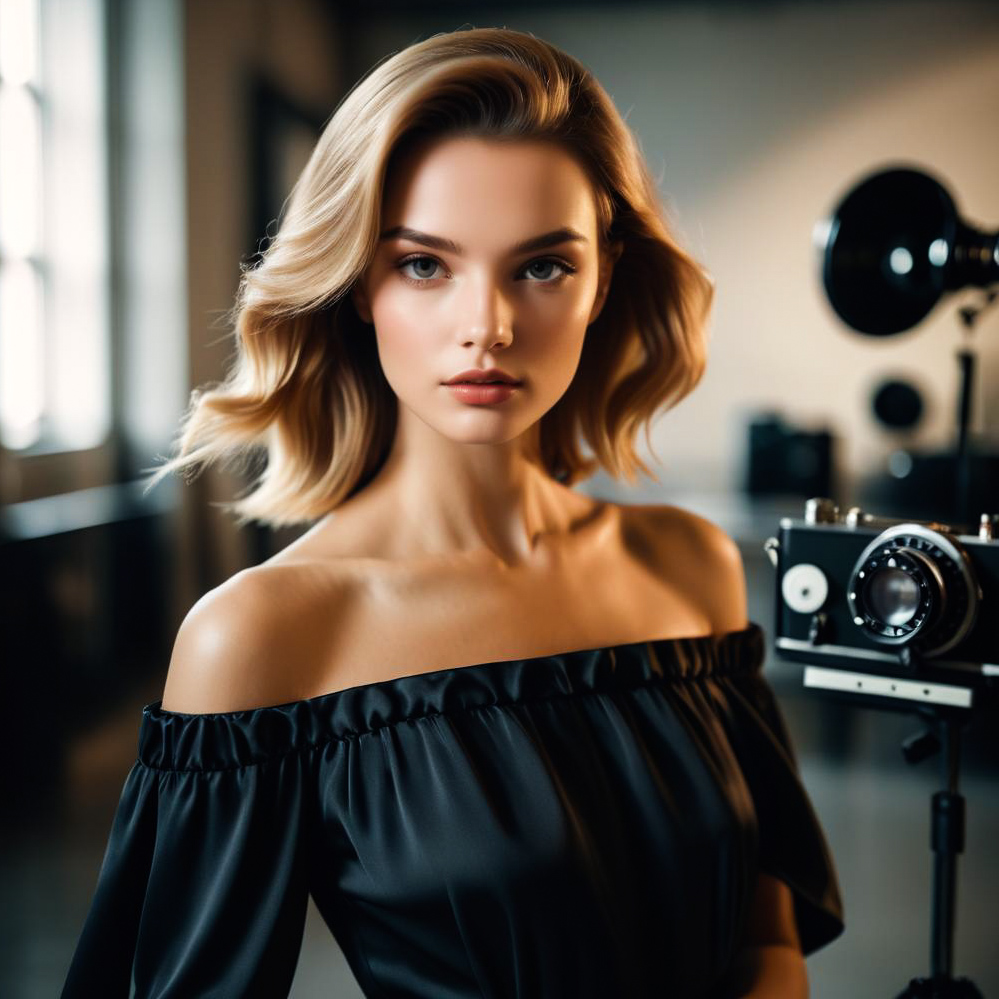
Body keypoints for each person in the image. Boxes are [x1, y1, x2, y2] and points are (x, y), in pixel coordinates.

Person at [61, 26, 843, 998]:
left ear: (605, 280)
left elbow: (767, 948)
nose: (490, 326)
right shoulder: (263, 636)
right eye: (425, 265)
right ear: (356, 285)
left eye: (543, 266)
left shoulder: (689, 568)